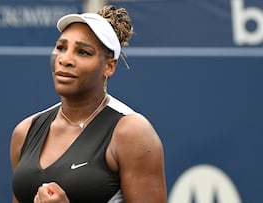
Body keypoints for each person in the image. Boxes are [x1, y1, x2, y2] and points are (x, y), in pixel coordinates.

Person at [10, 5, 167, 203]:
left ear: (109, 66)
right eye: (61, 48)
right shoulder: (24, 132)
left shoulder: (132, 133)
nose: (65, 59)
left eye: (83, 52)